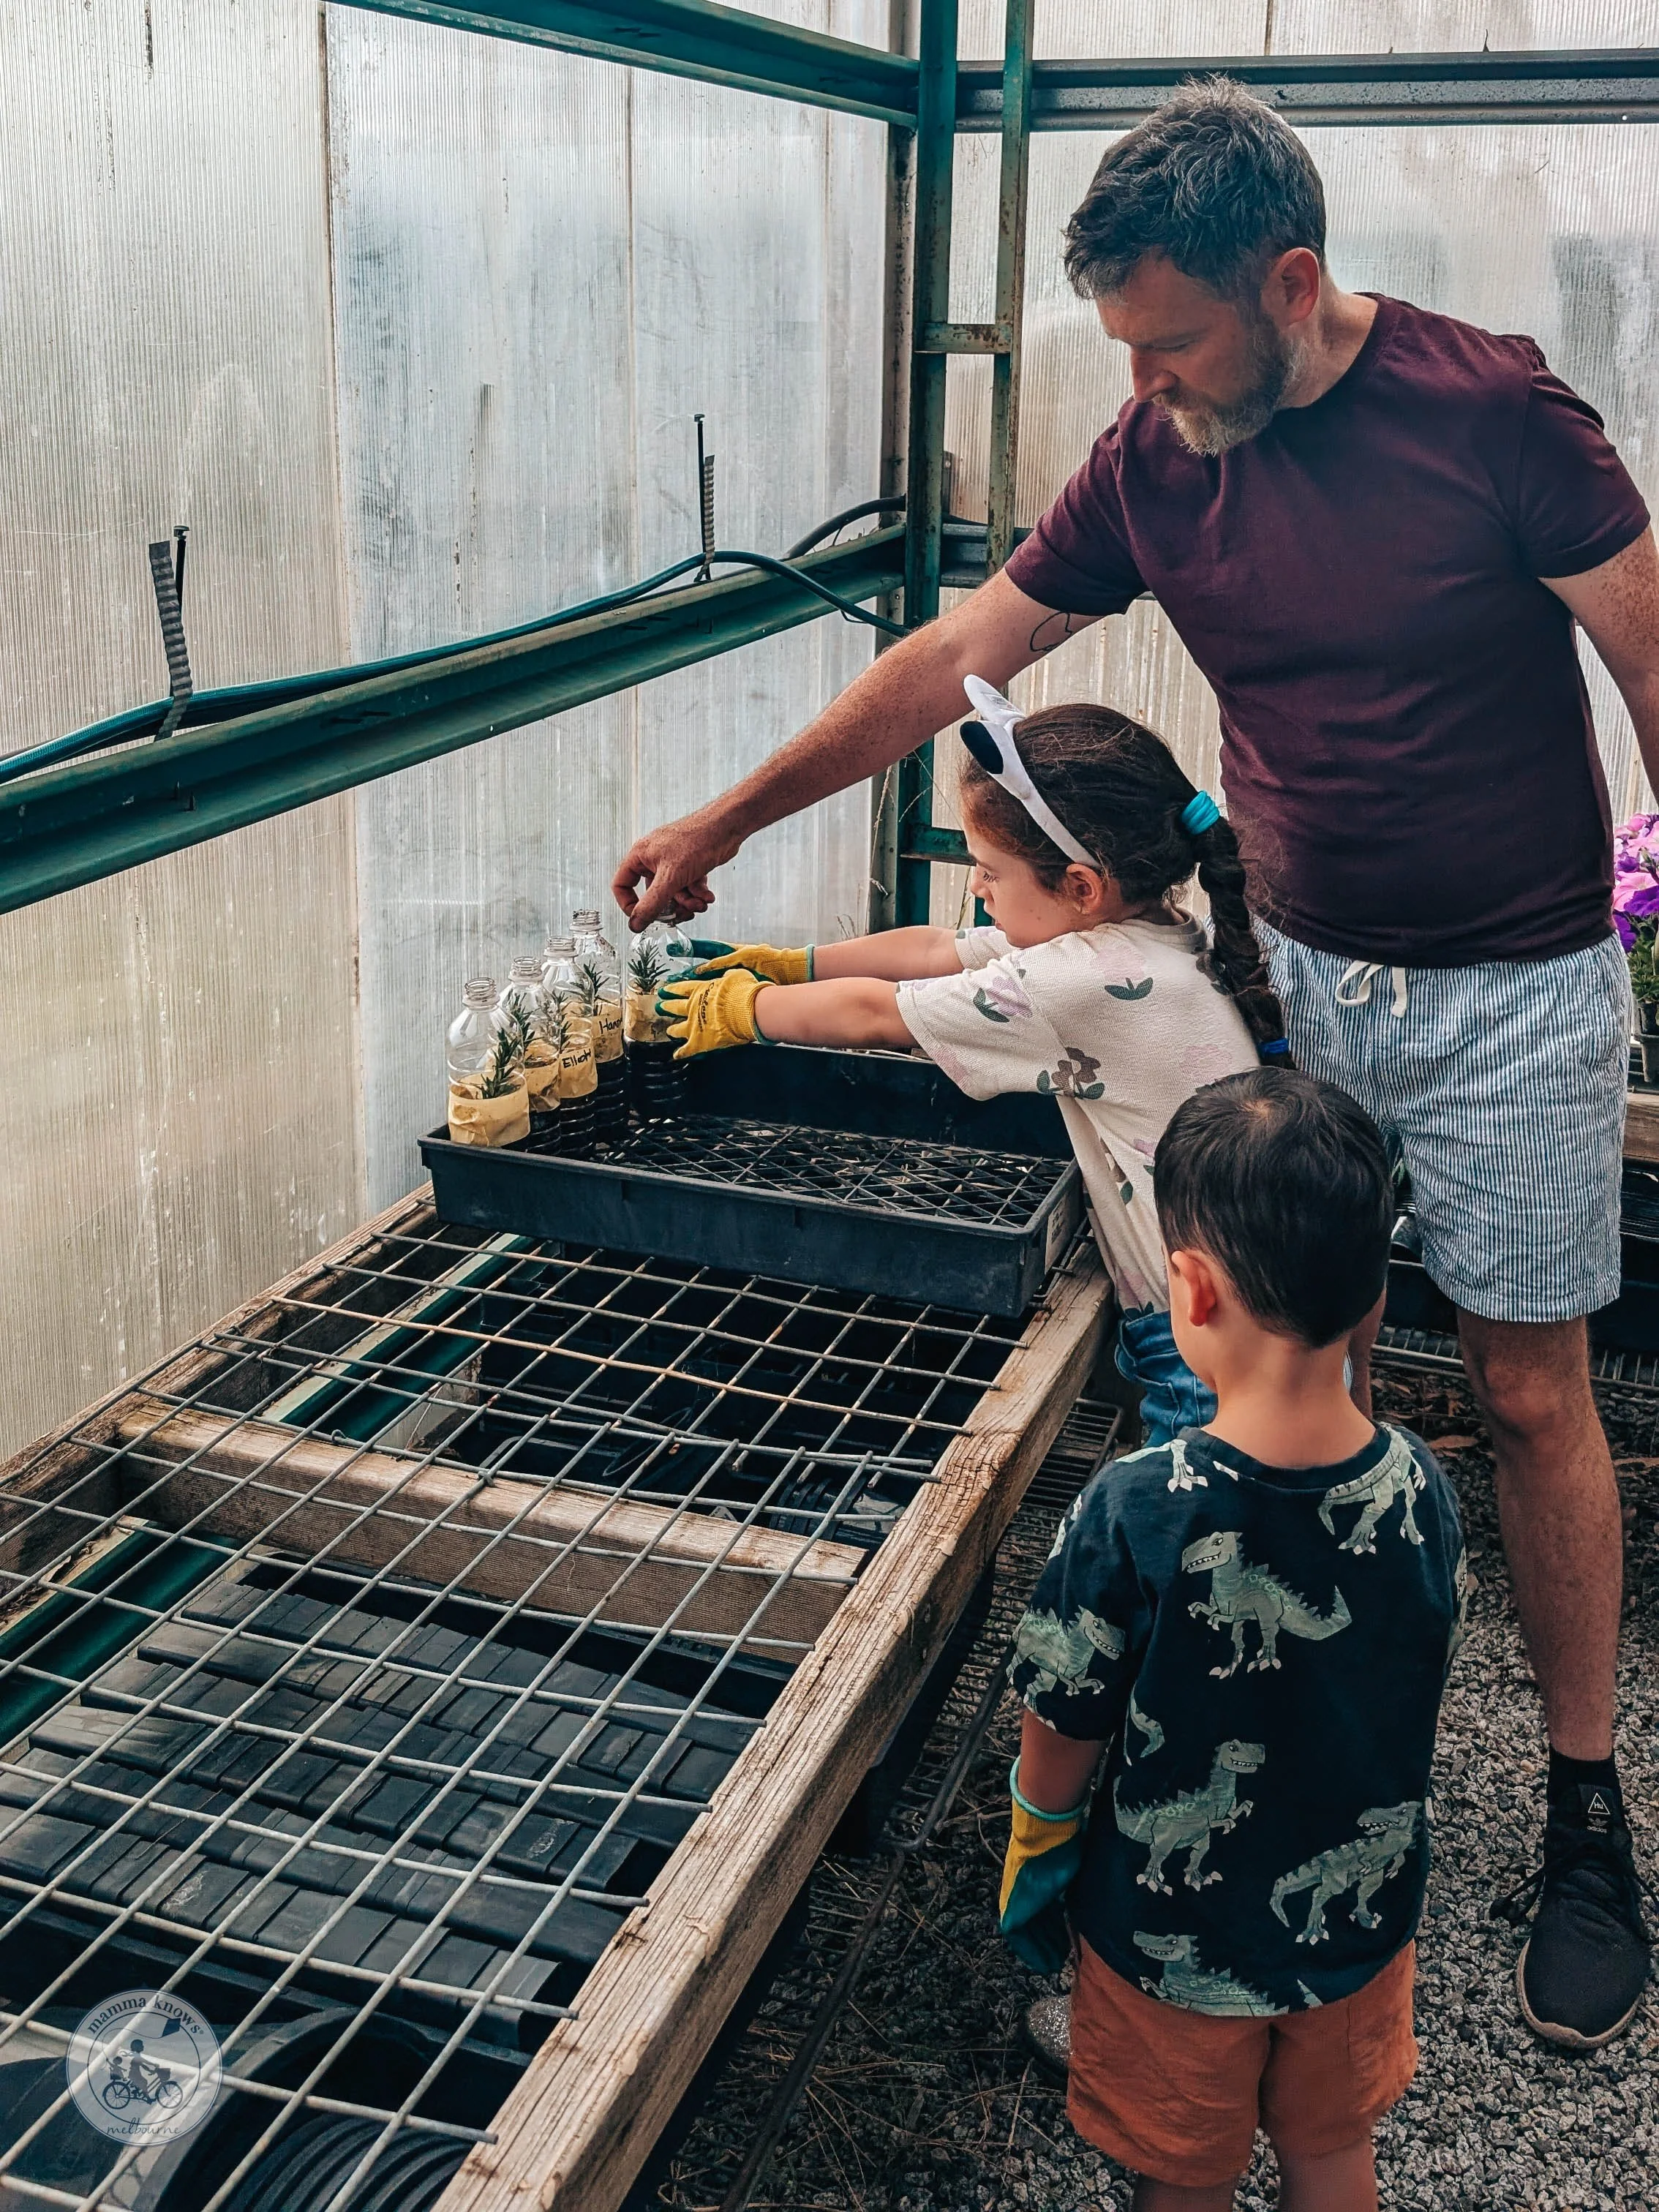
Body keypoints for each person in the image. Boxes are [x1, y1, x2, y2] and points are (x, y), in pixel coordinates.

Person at [612, 77, 1657, 2045]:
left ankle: (1585, 1809)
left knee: (1526, 1392)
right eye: (1125, 351)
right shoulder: (1153, 462)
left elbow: (1650, 653)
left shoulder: (1489, 414)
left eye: (1172, 343)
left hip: (1517, 981)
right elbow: (956, 667)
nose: (1149, 386)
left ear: (1289, 279)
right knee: (1294, 1388)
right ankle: (1307, 1771)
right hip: (1317, 988)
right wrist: (734, 822)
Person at [999, 1069, 1465, 2211]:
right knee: (1330, 2152)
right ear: (1372, 1293)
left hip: (1169, 1945)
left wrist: (1038, 1838)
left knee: (1185, 2176)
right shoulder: (1422, 1491)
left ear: (1191, 1292)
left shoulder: (1136, 1505)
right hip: (1356, 1935)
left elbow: (1063, 1714)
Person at [658, 680, 1277, 1445]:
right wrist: (792, 965)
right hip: (1259, 1310)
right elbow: (927, 951)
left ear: (1080, 888)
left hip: (1208, 1349)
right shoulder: (1143, 936)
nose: (975, 886)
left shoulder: (1077, 982)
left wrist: (740, 1011)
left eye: (987, 869)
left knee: (1207, 1534)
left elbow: (879, 1016)